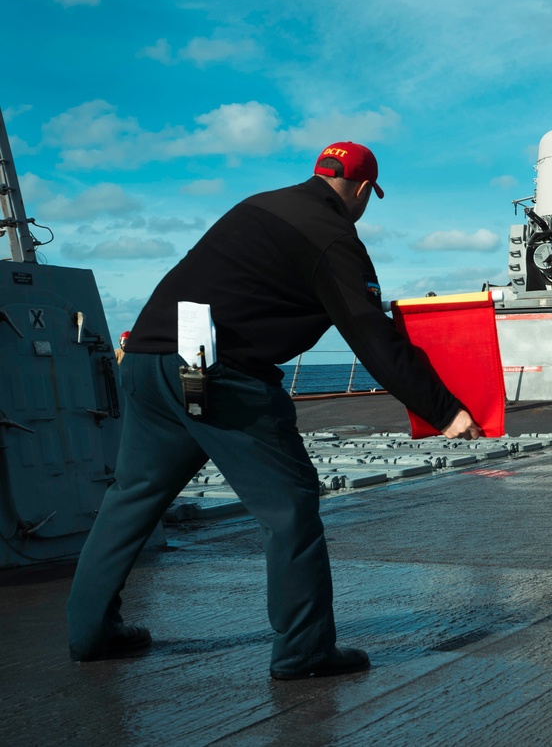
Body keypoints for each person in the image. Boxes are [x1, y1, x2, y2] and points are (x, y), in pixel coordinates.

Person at [66, 142, 482, 680]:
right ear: (361, 190)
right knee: (288, 508)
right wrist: (446, 411)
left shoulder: (258, 205)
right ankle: (304, 651)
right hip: (220, 373)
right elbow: (372, 337)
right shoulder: (332, 237)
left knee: (131, 498)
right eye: (368, 197)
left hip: (146, 359)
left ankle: (90, 633)